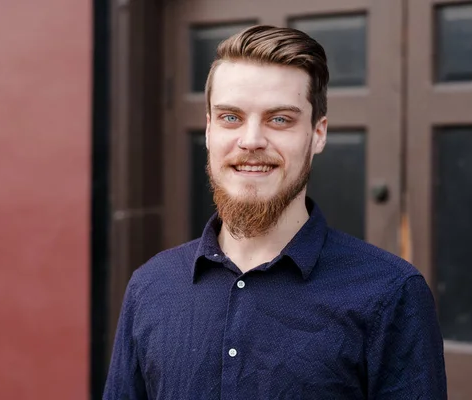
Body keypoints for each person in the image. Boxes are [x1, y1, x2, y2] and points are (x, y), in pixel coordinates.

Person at [103, 25, 447, 399]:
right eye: (230, 117)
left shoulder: (390, 293)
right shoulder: (150, 286)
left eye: (280, 119)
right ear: (208, 130)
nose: (251, 140)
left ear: (318, 133)